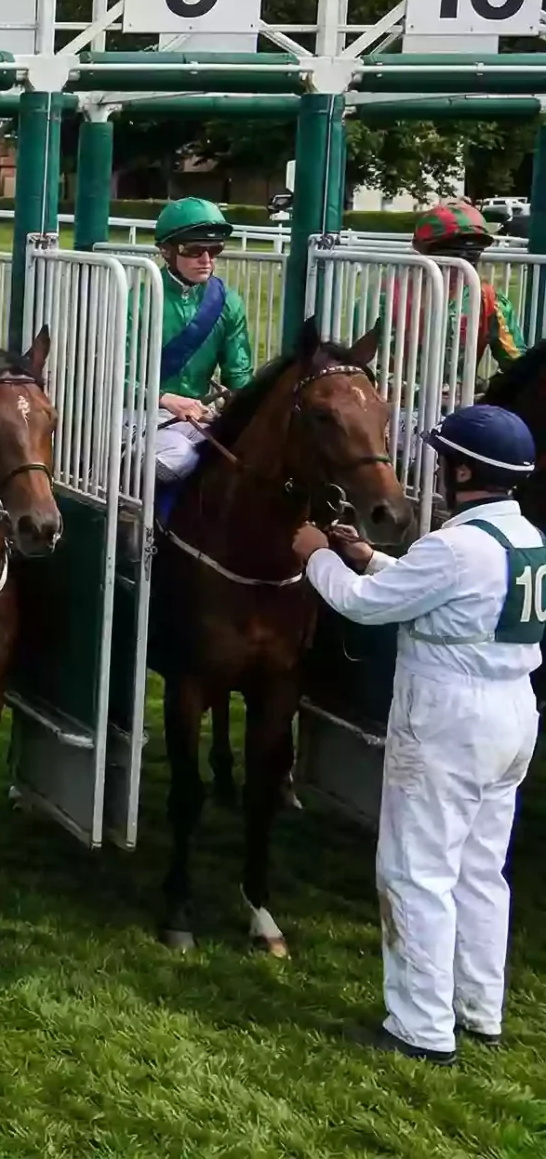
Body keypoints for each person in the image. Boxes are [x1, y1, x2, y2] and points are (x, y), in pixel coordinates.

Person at [295, 403, 542, 1066]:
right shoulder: (526, 538)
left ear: (463, 470)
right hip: (512, 715)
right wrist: (368, 554)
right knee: (482, 869)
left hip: (448, 719)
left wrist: (319, 557)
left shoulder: (453, 546)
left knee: (415, 870)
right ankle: (478, 1010)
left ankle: (420, 1027)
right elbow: (424, 588)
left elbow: (366, 606)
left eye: (443, 461)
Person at [147, 198, 255, 485]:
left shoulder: (228, 303)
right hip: (138, 413)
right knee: (180, 456)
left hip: (198, 415)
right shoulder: (137, 303)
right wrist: (166, 399)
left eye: (214, 249)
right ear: (167, 251)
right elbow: (114, 378)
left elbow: (239, 377)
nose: (206, 260)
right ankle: (132, 512)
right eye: (194, 250)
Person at [411, 200, 521, 374]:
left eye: (474, 251)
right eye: (454, 249)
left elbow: (516, 362)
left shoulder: (490, 300)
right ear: (422, 249)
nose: (466, 258)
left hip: (463, 398)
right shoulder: (388, 296)